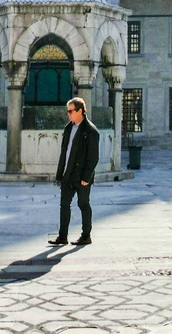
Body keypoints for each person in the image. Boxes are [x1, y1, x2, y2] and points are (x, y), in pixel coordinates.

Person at [48, 97, 100, 247]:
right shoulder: (69, 128)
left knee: (83, 204)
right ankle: (62, 236)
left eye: (71, 111)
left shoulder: (91, 131)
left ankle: (86, 235)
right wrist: (60, 174)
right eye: (68, 111)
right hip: (68, 174)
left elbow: (93, 157)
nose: (68, 114)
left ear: (80, 111)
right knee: (64, 205)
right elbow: (65, 153)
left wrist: (86, 177)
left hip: (82, 176)